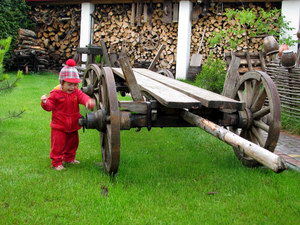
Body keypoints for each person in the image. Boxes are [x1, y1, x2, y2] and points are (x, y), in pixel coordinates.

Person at [41, 59, 95, 171]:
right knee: (58, 145)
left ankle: (69, 158)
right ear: (62, 82)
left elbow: (82, 97)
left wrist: (88, 101)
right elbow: (50, 106)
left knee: (73, 143)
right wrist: (45, 102)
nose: (72, 87)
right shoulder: (55, 94)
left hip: (73, 124)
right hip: (59, 126)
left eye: (75, 85)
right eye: (69, 84)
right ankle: (56, 162)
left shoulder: (76, 92)